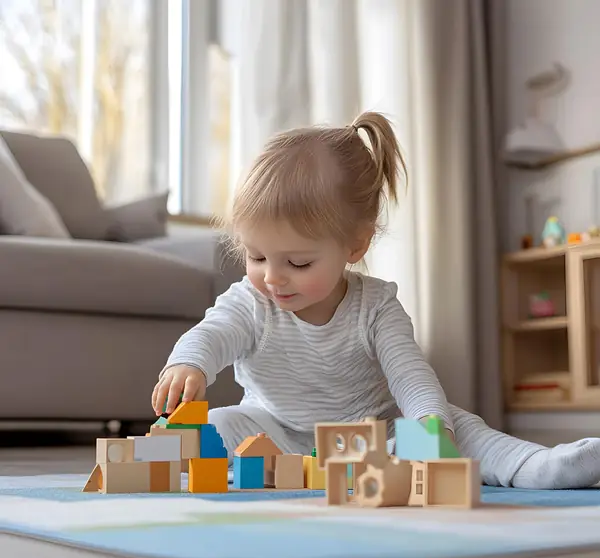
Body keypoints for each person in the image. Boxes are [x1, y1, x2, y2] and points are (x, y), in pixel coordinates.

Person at [152, 111, 600, 490]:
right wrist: (187, 364)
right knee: (221, 424)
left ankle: (536, 468)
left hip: (369, 435)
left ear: (355, 247)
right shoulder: (251, 301)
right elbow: (212, 334)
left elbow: (410, 375)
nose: (272, 277)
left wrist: (431, 425)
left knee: (457, 424)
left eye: (299, 263)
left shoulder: (377, 306)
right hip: (273, 433)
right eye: (256, 256)